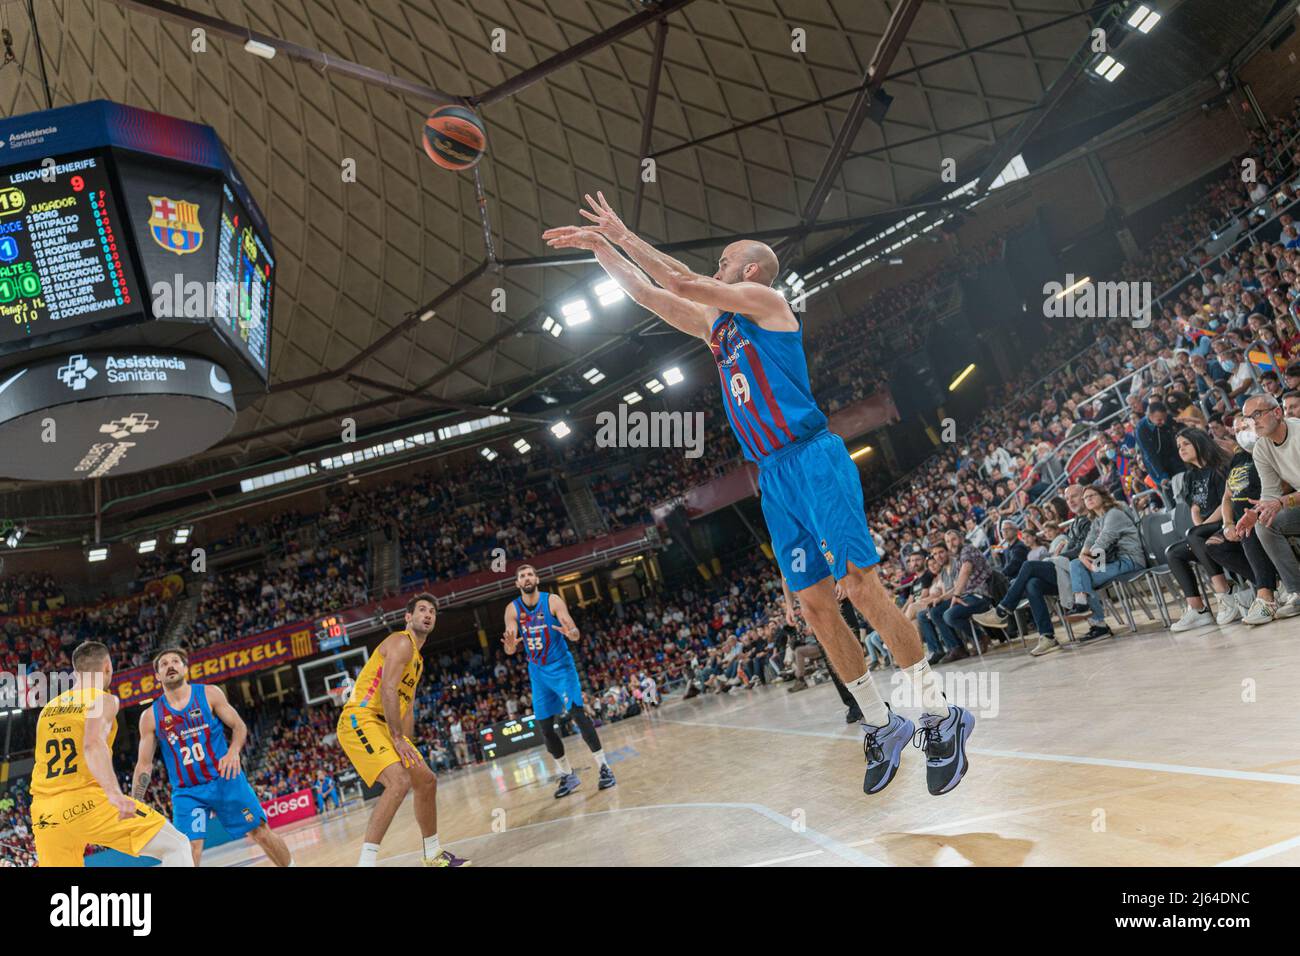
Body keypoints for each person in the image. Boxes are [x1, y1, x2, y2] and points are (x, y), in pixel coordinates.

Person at [545, 194, 973, 797]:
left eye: (724, 261)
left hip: (814, 460)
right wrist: (600, 251)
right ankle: (881, 723)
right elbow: (649, 294)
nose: (716, 267)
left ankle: (940, 711)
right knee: (816, 608)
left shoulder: (770, 305)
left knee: (859, 587)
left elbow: (679, 279)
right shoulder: (718, 328)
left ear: (748, 270)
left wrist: (623, 232)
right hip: (771, 476)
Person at [29, 641, 193, 867]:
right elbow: (93, 744)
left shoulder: (47, 710)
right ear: (108, 667)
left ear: (76, 673)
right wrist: (114, 793)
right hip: (86, 803)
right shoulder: (103, 699)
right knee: (177, 846)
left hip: (44, 812)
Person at [336, 592, 468, 867]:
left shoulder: (418, 661)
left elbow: (406, 707)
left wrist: (405, 741)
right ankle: (366, 863)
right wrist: (396, 737)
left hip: (385, 726)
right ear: (408, 617)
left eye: (432, 611)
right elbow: (387, 689)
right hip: (360, 718)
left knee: (426, 780)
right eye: (422, 609)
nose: (428, 614)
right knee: (399, 781)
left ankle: (432, 853)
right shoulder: (400, 642)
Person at [133, 646, 293, 866]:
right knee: (188, 849)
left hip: (225, 780)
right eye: (163, 664)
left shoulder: (209, 694)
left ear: (185, 668)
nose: (170, 665)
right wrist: (136, 801)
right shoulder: (150, 716)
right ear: (157, 676)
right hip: (188, 792)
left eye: (175, 661)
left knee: (260, 832)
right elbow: (144, 764)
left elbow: (239, 726)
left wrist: (233, 751)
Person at [503, 564, 616, 797]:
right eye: (521, 576)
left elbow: (573, 631)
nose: (526, 578)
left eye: (530, 574)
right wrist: (510, 645)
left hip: (562, 667)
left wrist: (571, 633)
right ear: (517, 583)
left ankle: (605, 768)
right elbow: (510, 647)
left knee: (578, 715)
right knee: (545, 728)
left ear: (537, 579)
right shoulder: (512, 609)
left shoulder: (552, 601)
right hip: (538, 672)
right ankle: (568, 775)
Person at [974, 484, 1093, 656]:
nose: (1070, 501)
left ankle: (1002, 611)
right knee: (1033, 584)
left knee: (1029, 566)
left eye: (1074, 496)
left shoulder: (1090, 519)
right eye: (1067, 498)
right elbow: (1073, 548)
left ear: (1084, 496)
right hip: (1067, 569)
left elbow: (1084, 549)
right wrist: (1063, 550)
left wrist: (1061, 553)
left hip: (1080, 569)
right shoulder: (1076, 522)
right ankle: (1047, 636)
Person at [1236, 393, 1300, 617]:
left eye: (1257, 414)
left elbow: (1280, 499)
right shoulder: (1262, 448)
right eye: (1248, 418)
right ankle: (1297, 593)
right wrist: (1257, 513)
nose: (1253, 422)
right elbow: (1270, 494)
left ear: (1278, 413)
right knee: (1265, 524)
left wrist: (1283, 501)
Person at [1165, 428, 1233, 631]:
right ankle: (1199, 610)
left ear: (1198, 442)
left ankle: (1224, 593)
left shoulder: (1220, 467)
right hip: (1205, 528)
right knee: (1173, 553)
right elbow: (1194, 507)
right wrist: (1200, 526)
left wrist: (1202, 527)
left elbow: (1225, 503)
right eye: (1179, 446)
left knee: (1194, 534)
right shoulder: (1190, 477)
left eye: (1185, 444)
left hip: (1227, 520)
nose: (1181, 449)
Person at [1065, 484, 1147, 642]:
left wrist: (1086, 558)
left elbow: (1102, 542)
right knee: (1076, 564)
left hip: (1130, 560)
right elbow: (1088, 542)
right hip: (1113, 560)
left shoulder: (1114, 513)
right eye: (1085, 497)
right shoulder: (1097, 519)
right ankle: (1083, 604)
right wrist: (1083, 556)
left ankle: (1097, 623)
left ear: (1102, 496)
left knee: (1083, 579)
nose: (1088, 499)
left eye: (1092, 495)